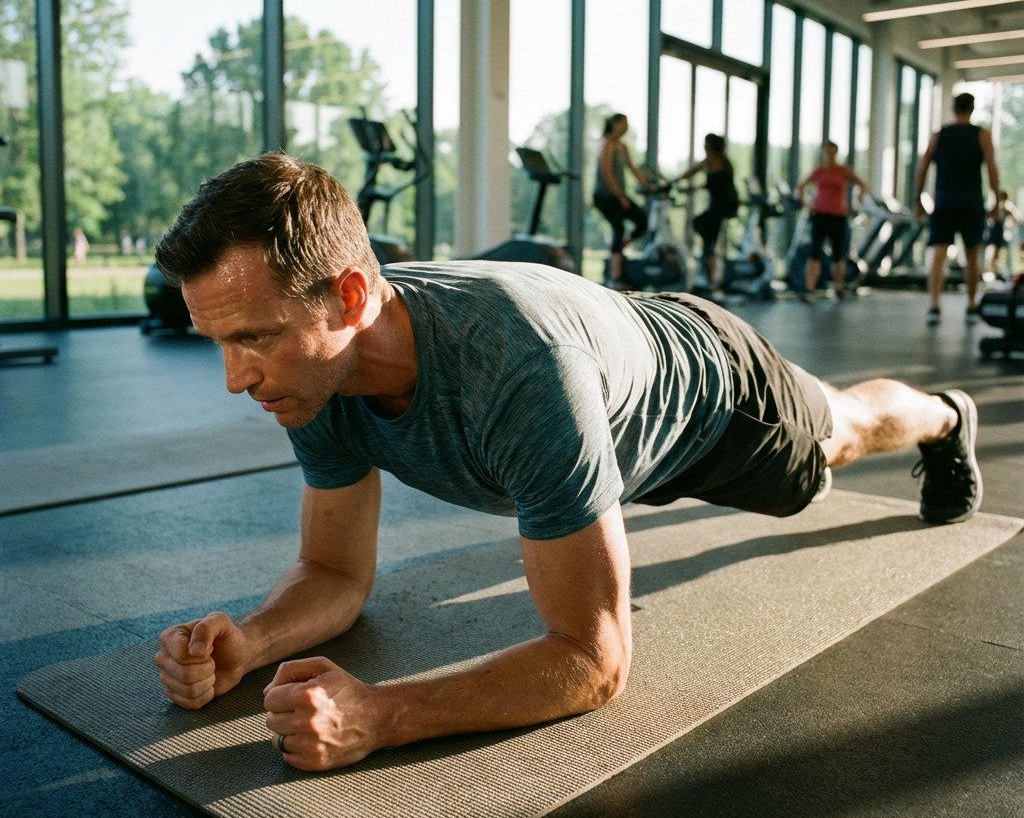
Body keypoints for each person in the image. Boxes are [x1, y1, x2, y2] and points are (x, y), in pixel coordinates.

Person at [153, 152, 983, 774]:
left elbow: (592, 660)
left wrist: (381, 715)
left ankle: (946, 419)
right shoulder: (308, 373)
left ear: (352, 299)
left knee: (845, 428)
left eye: (252, 338)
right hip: (606, 365)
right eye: (218, 342)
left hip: (715, 395)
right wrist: (252, 639)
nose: (235, 379)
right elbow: (334, 569)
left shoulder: (517, 372)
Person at [914, 92, 1002, 325]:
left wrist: (918, 200)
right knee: (973, 256)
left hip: (944, 202)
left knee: (939, 254)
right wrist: (996, 201)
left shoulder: (938, 135)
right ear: (972, 109)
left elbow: (922, 169)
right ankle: (972, 305)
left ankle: (934, 306)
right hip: (971, 202)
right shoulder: (982, 135)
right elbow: (992, 169)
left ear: (953, 109)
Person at [795, 140, 870, 301]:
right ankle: (810, 289)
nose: (829, 155)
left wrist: (857, 201)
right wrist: (806, 204)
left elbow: (862, 185)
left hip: (838, 216)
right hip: (820, 215)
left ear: (836, 153)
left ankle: (838, 287)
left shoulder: (843, 171)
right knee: (815, 253)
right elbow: (800, 186)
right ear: (824, 152)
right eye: (827, 152)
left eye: (832, 152)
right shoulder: (819, 171)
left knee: (838, 254)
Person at [593, 113, 655, 289]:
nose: (626, 127)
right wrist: (621, 196)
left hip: (619, 195)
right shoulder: (607, 144)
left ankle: (618, 250)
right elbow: (607, 173)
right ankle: (615, 276)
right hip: (604, 196)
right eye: (623, 123)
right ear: (615, 124)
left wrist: (647, 185)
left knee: (642, 222)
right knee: (618, 227)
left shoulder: (622, 147)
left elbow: (633, 169)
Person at [677, 134, 739, 288]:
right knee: (703, 229)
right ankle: (711, 272)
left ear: (710, 146)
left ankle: (712, 276)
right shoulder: (719, 162)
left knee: (704, 231)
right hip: (718, 205)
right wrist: (687, 185)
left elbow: (702, 175)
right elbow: (708, 181)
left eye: (705, 144)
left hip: (722, 205)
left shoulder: (714, 161)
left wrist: (682, 182)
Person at [984, 191, 1019, 281]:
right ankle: (991, 270)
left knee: (996, 253)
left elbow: (1015, 218)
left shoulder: (1007, 207)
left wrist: (1009, 226)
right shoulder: (997, 205)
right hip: (994, 231)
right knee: (993, 253)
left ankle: (995, 271)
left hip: (999, 232)